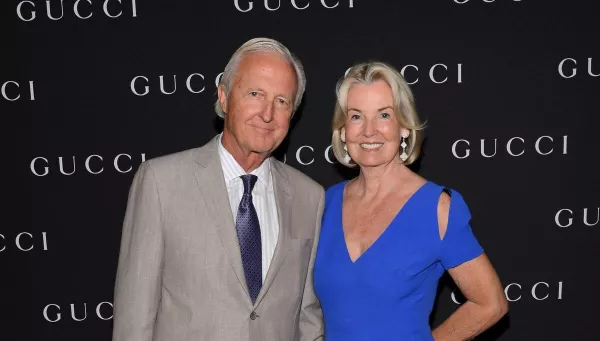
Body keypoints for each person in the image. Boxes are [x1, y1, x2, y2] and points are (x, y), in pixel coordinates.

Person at [112, 38, 324, 341]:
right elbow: (135, 317)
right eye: (255, 94)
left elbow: (307, 319)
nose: (267, 113)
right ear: (223, 98)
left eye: (282, 101)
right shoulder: (161, 183)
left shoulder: (310, 197)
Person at [314, 61, 508, 340]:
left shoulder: (436, 208)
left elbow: (490, 304)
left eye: (384, 115)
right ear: (343, 131)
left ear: (404, 127)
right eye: (356, 117)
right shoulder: (325, 204)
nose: (369, 130)